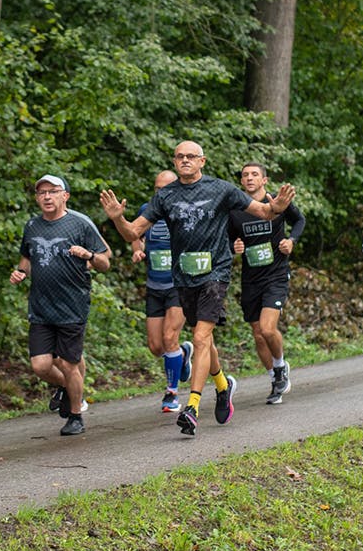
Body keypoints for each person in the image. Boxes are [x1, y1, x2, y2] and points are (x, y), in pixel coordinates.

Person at [101, 142, 295, 437]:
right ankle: (223, 385)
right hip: (184, 277)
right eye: (180, 157)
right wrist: (117, 217)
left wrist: (277, 208)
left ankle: (191, 408)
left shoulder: (222, 189)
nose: (185, 161)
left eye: (191, 156)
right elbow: (132, 232)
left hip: (215, 273)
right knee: (206, 341)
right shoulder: (165, 196)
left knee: (201, 336)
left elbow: (264, 212)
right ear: (175, 162)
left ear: (202, 161)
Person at [11, 174, 111, 437]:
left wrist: (88, 255)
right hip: (41, 307)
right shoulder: (32, 226)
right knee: (40, 366)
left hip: (72, 305)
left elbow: (105, 261)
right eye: (41, 192)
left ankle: (76, 415)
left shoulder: (79, 224)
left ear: (64, 195)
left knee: (68, 364)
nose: (46, 196)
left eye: (52, 191)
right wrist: (20, 273)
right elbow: (26, 258)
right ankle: (69, 389)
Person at [229, 162, 306, 404]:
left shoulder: (277, 202)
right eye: (245, 175)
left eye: (254, 174)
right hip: (251, 278)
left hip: (276, 274)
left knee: (267, 328)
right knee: (258, 334)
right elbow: (229, 237)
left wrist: (291, 240)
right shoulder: (235, 208)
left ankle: (281, 365)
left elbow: (300, 220)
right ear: (242, 181)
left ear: (264, 180)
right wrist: (235, 246)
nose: (249, 178)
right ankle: (275, 378)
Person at [129, 171, 193, 414]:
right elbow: (135, 235)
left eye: (166, 188)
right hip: (155, 286)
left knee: (169, 338)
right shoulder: (148, 209)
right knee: (156, 347)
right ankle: (183, 353)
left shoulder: (188, 211)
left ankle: (172, 393)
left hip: (179, 285)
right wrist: (138, 249)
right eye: (157, 189)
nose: (161, 193)